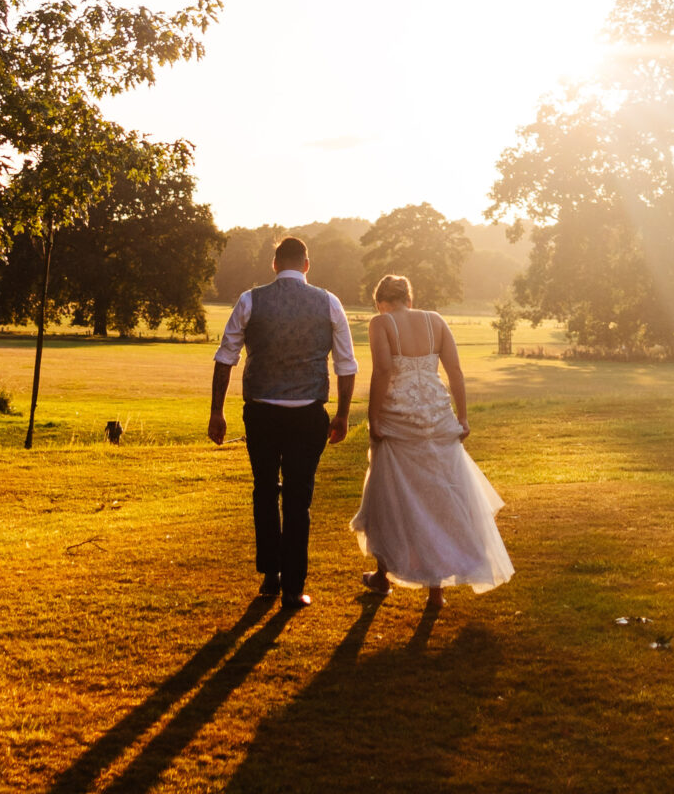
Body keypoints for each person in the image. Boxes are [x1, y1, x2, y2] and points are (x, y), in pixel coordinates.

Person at [208, 235, 357, 612]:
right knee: (298, 498)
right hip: (308, 412)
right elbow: (345, 364)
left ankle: (270, 574)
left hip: (262, 411)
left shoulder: (250, 299)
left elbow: (226, 357)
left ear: (275, 264)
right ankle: (293, 587)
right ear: (307, 264)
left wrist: (217, 411)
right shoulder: (328, 302)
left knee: (264, 489)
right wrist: (342, 413)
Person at [351, 274, 514, 606]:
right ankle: (434, 591)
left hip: (399, 420)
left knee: (389, 493)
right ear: (408, 299)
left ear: (381, 302)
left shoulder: (380, 324)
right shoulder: (435, 321)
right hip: (437, 419)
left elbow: (382, 371)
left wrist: (374, 418)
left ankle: (383, 577)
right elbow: (455, 371)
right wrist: (463, 416)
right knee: (438, 496)